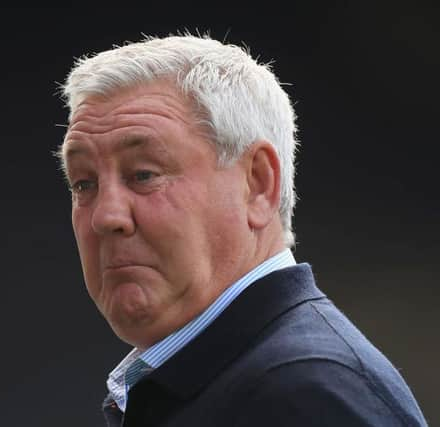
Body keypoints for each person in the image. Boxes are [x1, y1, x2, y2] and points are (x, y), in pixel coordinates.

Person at [56, 34, 427, 427]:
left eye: (143, 174)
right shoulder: (238, 383)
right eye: (84, 184)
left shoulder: (306, 394)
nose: (105, 217)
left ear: (258, 184)